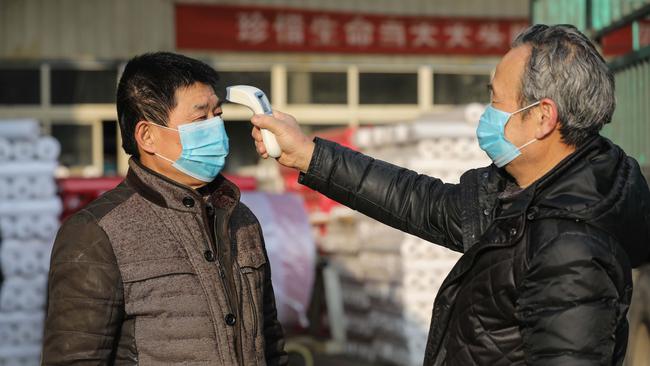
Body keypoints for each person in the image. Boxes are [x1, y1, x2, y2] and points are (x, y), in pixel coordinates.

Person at [250, 25, 650, 365]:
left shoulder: (570, 246)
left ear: (543, 117)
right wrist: (307, 154)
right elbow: (416, 200)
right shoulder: (522, 194)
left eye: (496, 100)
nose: (487, 113)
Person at [42, 52, 288, 365]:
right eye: (200, 119)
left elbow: (271, 343)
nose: (216, 128)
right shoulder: (96, 234)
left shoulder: (241, 219)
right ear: (147, 136)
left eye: (218, 115)